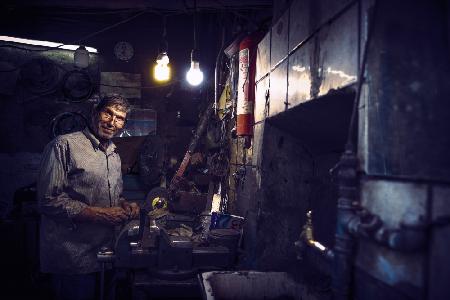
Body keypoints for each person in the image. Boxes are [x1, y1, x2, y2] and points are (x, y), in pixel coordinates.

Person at [37, 94, 139, 300]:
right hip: (74, 258)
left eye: (119, 118)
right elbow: (48, 200)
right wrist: (98, 215)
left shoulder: (114, 153)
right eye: (107, 113)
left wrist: (124, 205)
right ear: (94, 113)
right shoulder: (63, 145)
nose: (112, 122)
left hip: (106, 255)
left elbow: (112, 196)